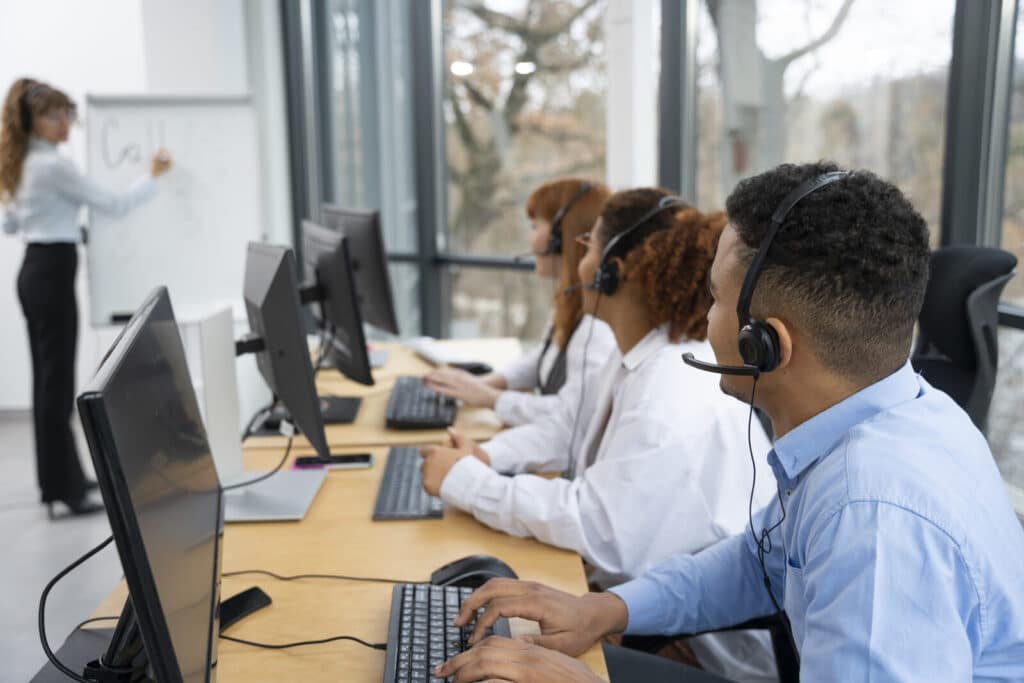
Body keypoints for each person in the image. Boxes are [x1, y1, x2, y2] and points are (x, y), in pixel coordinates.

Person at [432, 163, 1024, 682]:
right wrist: (609, 610)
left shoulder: (873, 519)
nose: (701, 315)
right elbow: (759, 561)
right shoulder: (892, 416)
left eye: (714, 298)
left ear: (765, 343)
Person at [422, 188, 777, 681]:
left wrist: (471, 483)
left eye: (589, 247)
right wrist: (483, 458)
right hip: (647, 603)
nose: (580, 261)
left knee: (501, 662)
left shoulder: (671, 389)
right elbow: (566, 427)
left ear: (614, 270)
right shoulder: (638, 354)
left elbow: (600, 531)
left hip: (699, 650)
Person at [0, 78, 172, 518]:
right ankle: (66, 488)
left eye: (65, 114)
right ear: (30, 121)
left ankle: (61, 483)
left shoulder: (22, 163)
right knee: (55, 388)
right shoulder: (52, 166)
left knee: (48, 384)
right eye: (52, 115)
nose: (64, 124)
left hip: (36, 270)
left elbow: (11, 226)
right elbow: (111, 204)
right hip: (52, 273)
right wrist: (151, 178)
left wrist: (55, 224)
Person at [423, 178, 615, 427]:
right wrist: (487, 383)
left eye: (535, 227)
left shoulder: (597, 328)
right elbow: (545, 357)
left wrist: (491, 398)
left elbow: (572, 415)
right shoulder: (570, 299)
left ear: (560, 237)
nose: (531, 239)